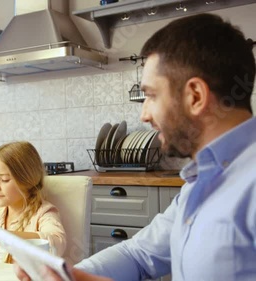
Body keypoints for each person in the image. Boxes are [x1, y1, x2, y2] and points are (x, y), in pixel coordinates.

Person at [15, 13, 256, 281]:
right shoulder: (198, 182)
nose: (144, 115)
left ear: (195, 96)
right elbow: (139, 254)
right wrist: (68, 276)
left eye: (151, 96)